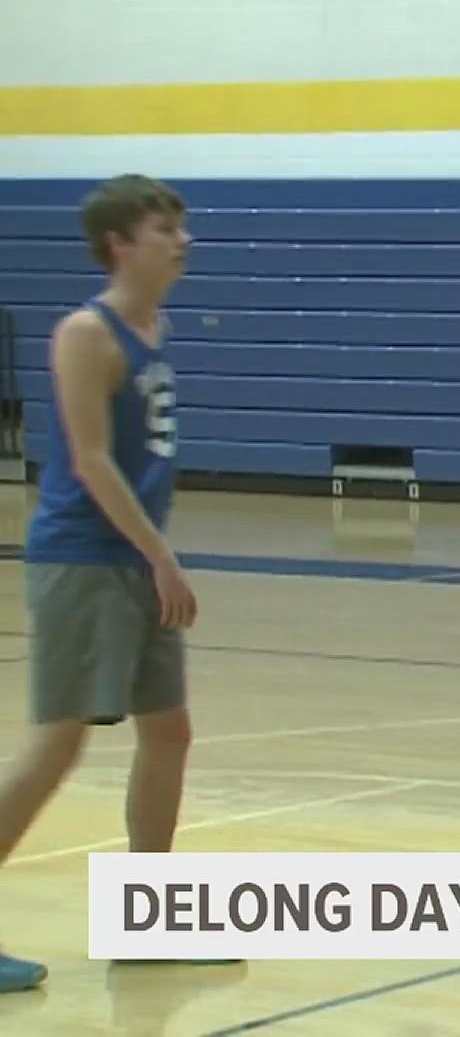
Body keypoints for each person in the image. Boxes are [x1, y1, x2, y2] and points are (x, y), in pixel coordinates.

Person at [0, 174, 222, 991]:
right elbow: (90, 461)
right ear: (121, 243)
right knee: (59, 743)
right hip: (85, 562)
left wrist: (155, 554)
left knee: (169, 733)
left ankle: (148, 923)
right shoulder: (83, 335)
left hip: (136, 560)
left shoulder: (154, 327)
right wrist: (161, 557)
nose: (182, 240)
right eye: (165, 228)